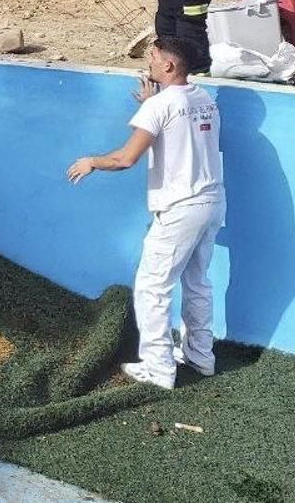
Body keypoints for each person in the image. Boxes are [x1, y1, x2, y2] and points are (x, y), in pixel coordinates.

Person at [66, 36, 225, 390]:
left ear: (169, 65)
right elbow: (179, 124)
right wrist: (152, 103)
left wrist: (92, 162)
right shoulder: (205, 99)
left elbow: (126, 158)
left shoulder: (161, 106)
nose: (148, 62)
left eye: (152, 56)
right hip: (212, 202)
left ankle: (159, 368)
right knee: (197, 283)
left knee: (152, 287)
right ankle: (201, 357)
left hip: (179, 208)